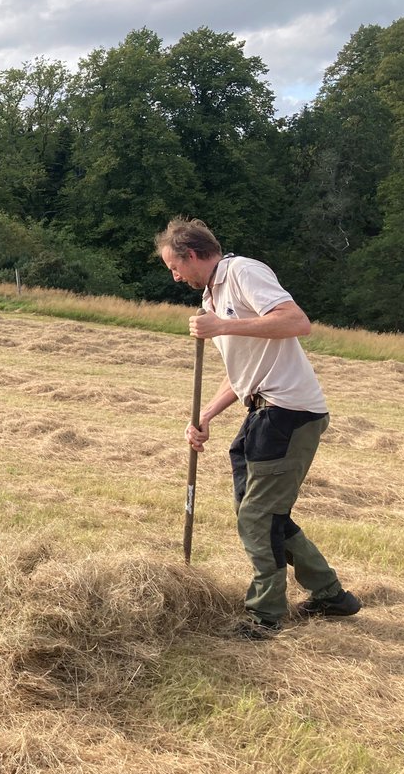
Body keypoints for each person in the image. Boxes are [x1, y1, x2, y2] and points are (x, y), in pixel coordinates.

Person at [155, 217, 361, 641]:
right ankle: (331, 595)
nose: (174, 276)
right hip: (262, 412)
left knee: (258, 516)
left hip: (290, 412)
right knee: (262, 514)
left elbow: (296, 321)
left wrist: (223, 325)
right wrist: (206, 415)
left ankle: (264, 616)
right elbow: (242, 371)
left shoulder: (244, 272)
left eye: (174, 267)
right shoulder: (213, 297)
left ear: (192, 256)